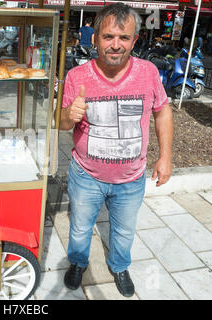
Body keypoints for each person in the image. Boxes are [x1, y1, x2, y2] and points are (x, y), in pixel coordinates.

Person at [59, 3, 173, 297]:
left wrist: (165, 157)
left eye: (124, 38)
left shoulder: (148, 73)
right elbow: (59, 123)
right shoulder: (77, 77)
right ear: (94, 38)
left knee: (123, 231)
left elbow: (162, 112)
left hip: (131, 178)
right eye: (108, 36)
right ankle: (78, 263)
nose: (115, 45)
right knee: (81, 228)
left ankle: (119, 266)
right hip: (86, 175)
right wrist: (68, 114)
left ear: (135, 41)